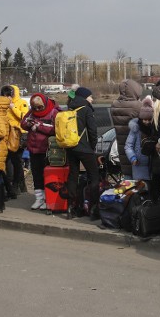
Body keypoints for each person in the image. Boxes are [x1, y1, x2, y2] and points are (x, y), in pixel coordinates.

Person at [63, 86, 99, 219]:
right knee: (94, 176)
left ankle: (71, 207)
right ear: (84, 96)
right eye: (90, 96)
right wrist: (92, 147)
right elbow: (92, 131)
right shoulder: (86, 109)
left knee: (73, 176)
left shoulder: (71, 107)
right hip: (85, 148)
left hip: (70, 147)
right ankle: (94, 209)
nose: (92, 98)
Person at [21, 93, 58, 211]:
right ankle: (39, 198)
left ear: (44, 104)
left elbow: (56, 129)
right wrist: (28, 124)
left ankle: (48, 198)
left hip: (47, 149)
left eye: (39, 107)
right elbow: (22, 123)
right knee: (36, 174)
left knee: (46, 174)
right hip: (33, 148)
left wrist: (39, 126)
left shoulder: (54, 111)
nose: (37, 110)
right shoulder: (32, 112)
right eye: (34, 107)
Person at [111, 79, 143, 180]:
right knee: (140, 180)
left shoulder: (114, 105)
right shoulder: (138, 106)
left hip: (122, 144)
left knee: (128, 177)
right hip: (137, 146)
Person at [125, 97, 156, 184]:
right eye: (144, 120)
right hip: (139, 164)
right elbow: (128, 145)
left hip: (153, 165)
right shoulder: (135, 129)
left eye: (149, 120)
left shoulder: (155, 129)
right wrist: (133, 158)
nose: (146, 122)